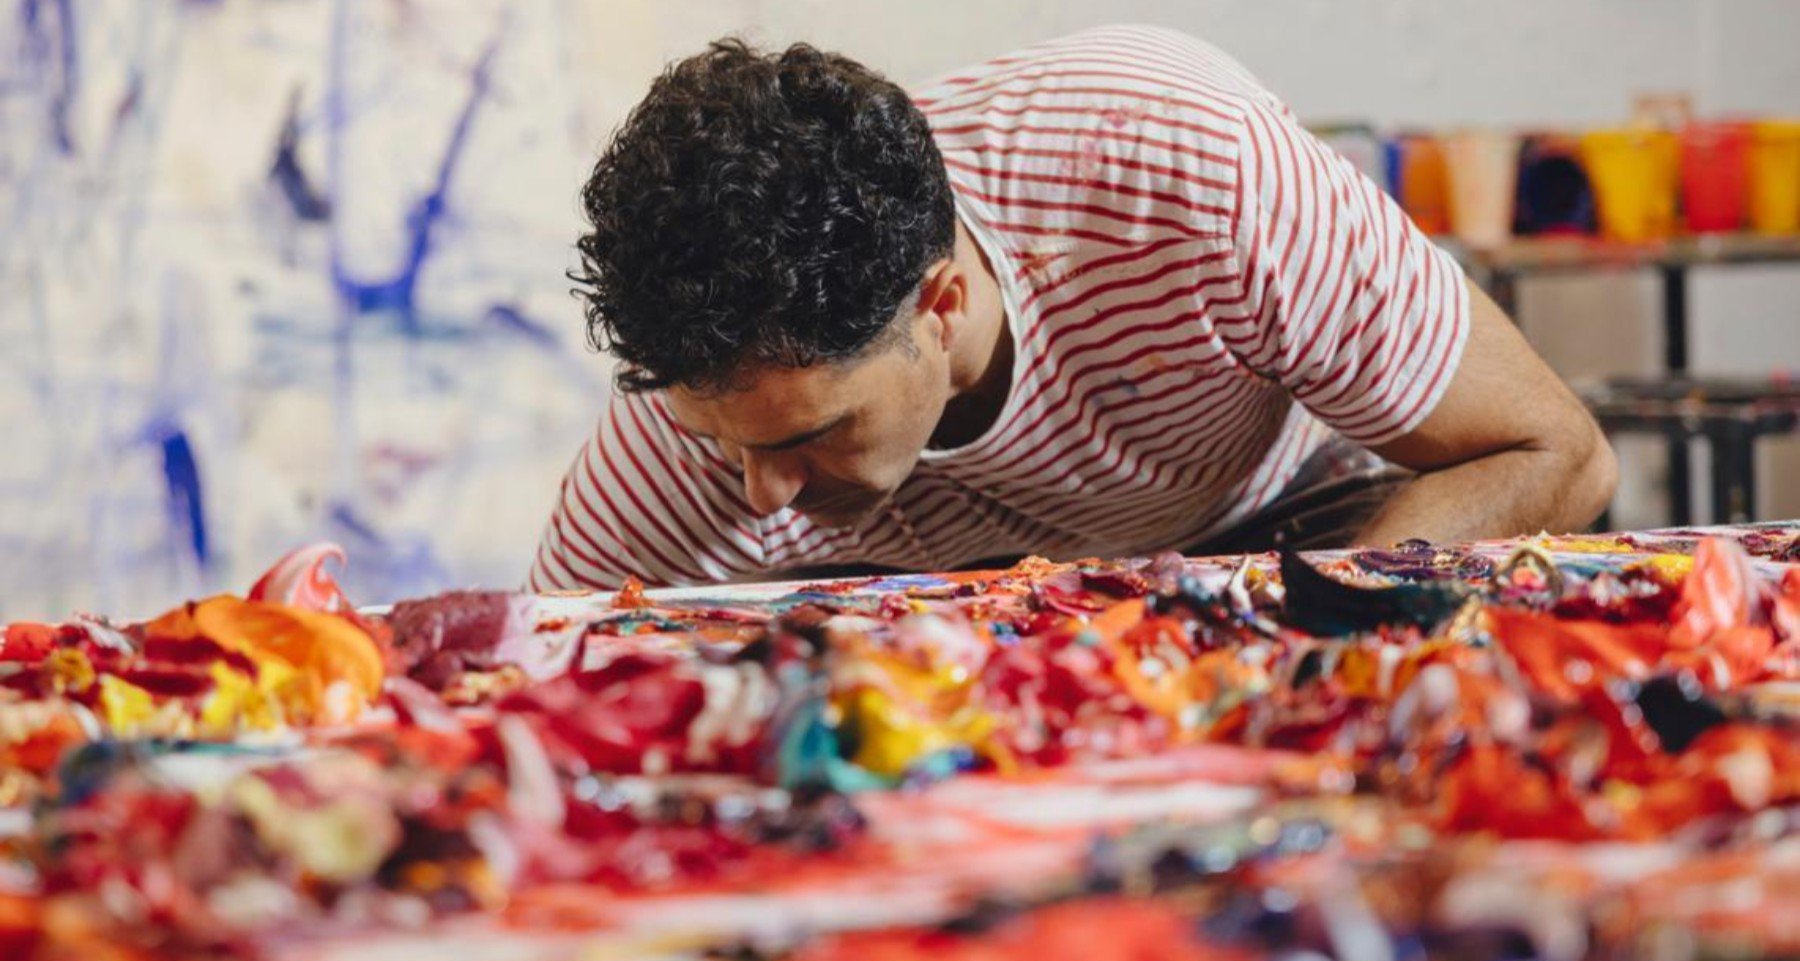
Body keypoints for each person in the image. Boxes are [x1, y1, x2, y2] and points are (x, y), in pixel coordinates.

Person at [529, 25, 1616, 592]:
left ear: (940, 301)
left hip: (1296, 526)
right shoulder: (707, 403)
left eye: (807, 435)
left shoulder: (1192, 169)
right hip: (946, 595)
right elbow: (523, 670)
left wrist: (1315, 628)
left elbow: (1557, 451)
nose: (759, 491)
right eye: (720, 439)